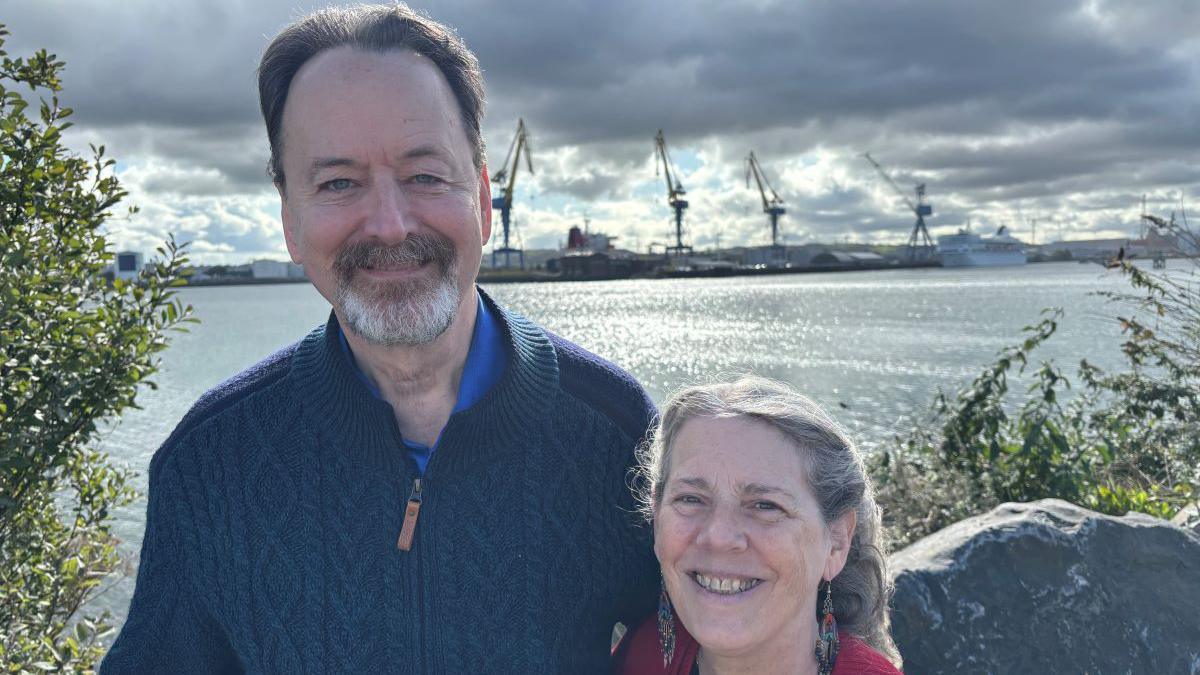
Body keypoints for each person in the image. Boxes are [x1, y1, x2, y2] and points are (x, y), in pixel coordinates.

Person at [101, 5, 658, 672]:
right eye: (339, 183)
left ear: (482, 198)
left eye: (426, 175)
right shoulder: (209, 463)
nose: (391, 225)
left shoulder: (620, 434)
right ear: (290, 223)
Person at [613, 376, 902, 674]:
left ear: (837, 542)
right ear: (657, 517)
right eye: (690, 499)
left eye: (765, 505)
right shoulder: (647, 655)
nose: (719, 536)